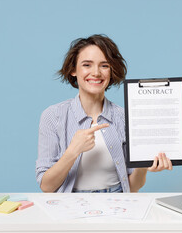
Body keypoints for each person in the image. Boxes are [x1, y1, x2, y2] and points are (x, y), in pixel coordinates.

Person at [36, 34, 172, 193]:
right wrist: (73, 151)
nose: (96, 73)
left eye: (104, 65)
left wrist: (142, 165)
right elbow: (46, 186)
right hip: (70, 204)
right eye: (87, 65)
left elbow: (133, 187)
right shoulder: (53, 116)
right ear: (73, 70)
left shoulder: (125, 117)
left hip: (117, 201)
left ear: (112, 70)